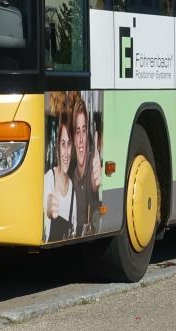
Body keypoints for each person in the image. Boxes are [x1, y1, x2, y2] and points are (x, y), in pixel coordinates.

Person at [71, 96, 102, 236]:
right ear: (73, 139)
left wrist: (98, 184)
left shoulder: (93, 166)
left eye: (84, 130)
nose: (82, 139)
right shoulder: (71, 177)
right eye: (78, 132)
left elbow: (96, 186)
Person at [43, 110, 76, 242]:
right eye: (63, 144)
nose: (66, 153)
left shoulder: (73, 191)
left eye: (69, 144)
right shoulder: (48, 179)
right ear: (57, 148)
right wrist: (49, 208)